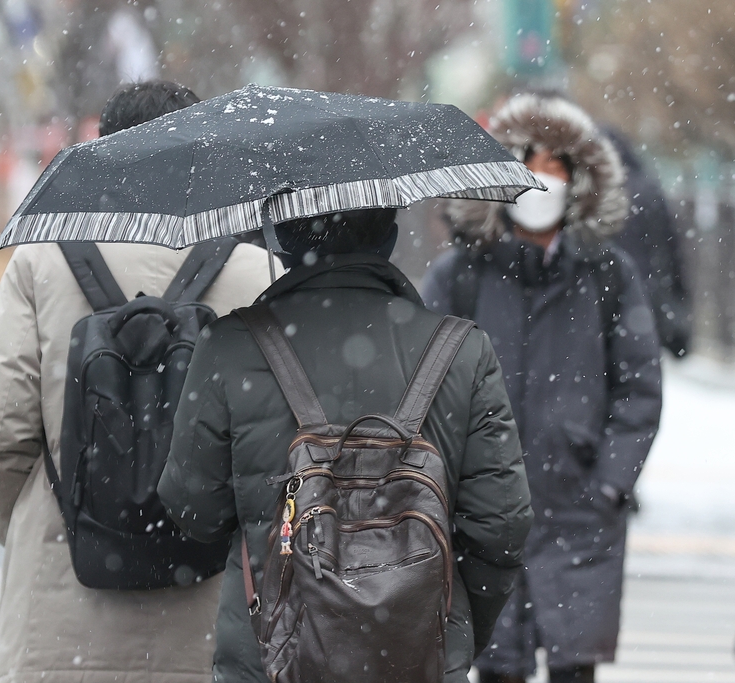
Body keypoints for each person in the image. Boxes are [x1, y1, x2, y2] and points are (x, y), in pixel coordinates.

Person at [0, 80, 278, 683]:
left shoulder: (42, 259)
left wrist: (42, 521)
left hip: (62, 622)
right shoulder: (256, 270)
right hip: (210, 619)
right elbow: (274, 446)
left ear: (104, 151)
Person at [158, 208, 534, 682]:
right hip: (420, 658)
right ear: (390, 237)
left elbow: (193, 508)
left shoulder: (229, 344)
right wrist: (451, 624)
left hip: (269, 659)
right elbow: (501, 525)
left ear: (281, 238)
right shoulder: (462, 350)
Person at [422, 94, 663, 683]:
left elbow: (639, 387)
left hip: (580, 510)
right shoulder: (462, 273)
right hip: (482, 512)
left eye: (556, 164)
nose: (542, 178)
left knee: (573, 666)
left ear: (579, 180)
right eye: (528, 161)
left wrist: (609, 483)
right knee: (495, 665)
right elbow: (421, 382)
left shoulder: (607, 274)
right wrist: (449, 479)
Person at [603, 128, 692, 359]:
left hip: (608, 295)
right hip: (646, 296)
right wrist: (677, 293)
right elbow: (670, 247)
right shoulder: (647, 186)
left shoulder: (597, 190)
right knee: (642, 364)